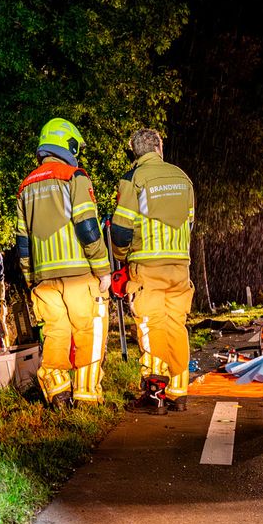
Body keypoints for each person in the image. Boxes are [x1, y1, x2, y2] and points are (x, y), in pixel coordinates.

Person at [15, 118, 111, 407]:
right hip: (80, 274)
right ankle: (86, 396)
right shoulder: (74, 176)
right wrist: (103, 268)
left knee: (55, 334)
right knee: (90, 331)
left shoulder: (25, 187)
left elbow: (23, 241)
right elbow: (87, 226)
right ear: (68, 144)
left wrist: (30, 277)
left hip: (43, 277)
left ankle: (57, 392)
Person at [109, 128, 196, 411]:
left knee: (151, 327)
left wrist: (122, 258)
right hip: (180, 266)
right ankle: (178, 392)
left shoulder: (134, 179)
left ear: (135, 152)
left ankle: (154, 393)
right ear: (159, 148)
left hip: (147, 266)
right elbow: (190, 223)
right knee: (175, 325)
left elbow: (121, 230)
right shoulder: (183, 178)